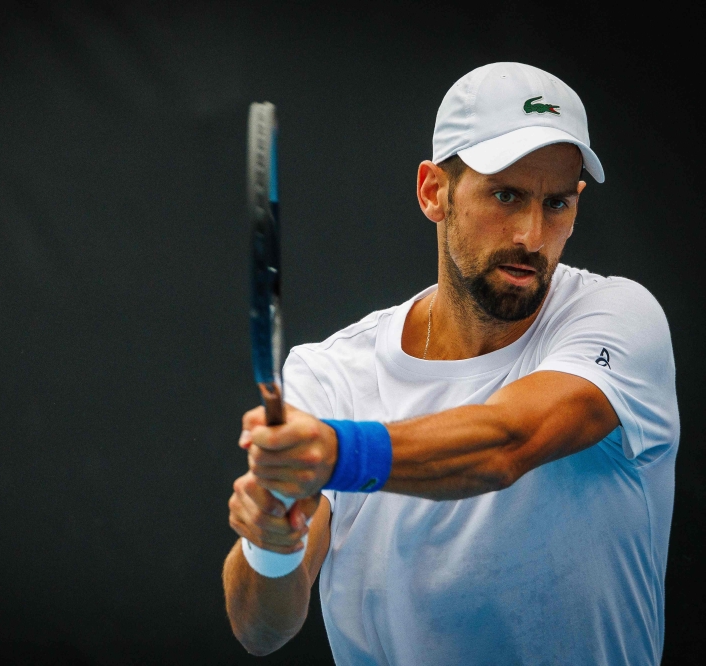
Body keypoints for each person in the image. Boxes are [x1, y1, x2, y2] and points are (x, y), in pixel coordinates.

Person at [223, 62, 679, 665]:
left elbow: (506, 442)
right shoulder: (332, 375)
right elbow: (262, 630)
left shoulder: (620, 317)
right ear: (433, 191)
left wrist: (335, 455)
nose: (532, 235)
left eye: (557, 203)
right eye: (506, 195)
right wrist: (272, 545)